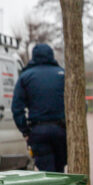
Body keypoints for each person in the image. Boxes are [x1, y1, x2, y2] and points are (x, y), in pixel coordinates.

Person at [11, 43, 67, 172]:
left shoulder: (25, 77)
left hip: (38, 131)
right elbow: (80, 104)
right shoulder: (63, 74)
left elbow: (16, 108)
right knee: (60, 170)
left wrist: (25, 130)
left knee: (46, 172)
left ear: (33, 57)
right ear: (51, 56)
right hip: (61, 131)